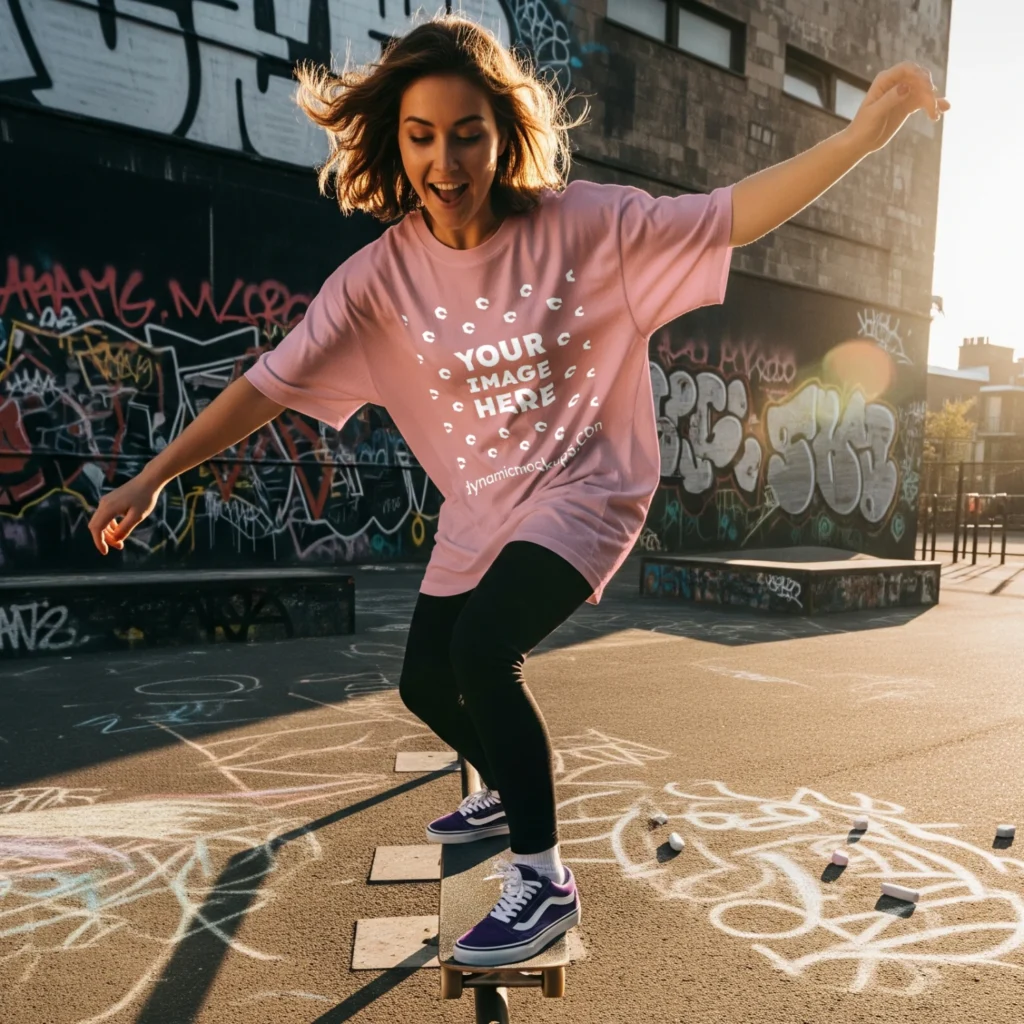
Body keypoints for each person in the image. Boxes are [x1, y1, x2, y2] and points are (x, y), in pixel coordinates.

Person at [88, 14, 948, 967]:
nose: (445, 164)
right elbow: (266, 382)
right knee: (426, 678)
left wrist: (863, 137)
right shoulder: (378, 280)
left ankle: (543, 881)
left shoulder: (587, 227)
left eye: (468, 134)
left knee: (483, 648)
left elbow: (732, 210)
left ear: (504, 137)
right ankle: (509, 778)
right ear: (395, 140)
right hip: (482, 512)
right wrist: (150, 475)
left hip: (589, 490)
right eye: (422, 137)